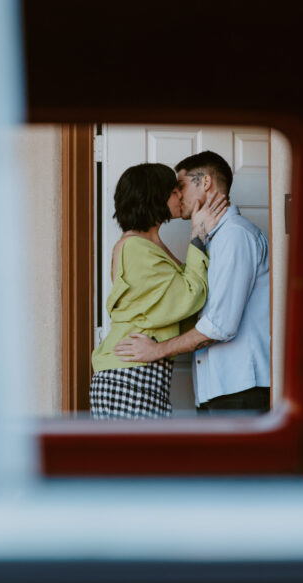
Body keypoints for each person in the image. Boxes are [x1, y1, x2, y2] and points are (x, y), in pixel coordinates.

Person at [115, 151, 270, 414]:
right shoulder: (212, 238)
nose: (175, 195)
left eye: (181, 186)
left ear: (205, 182)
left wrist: (157, 351)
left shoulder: (234, 236)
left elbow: (219, 326)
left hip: (240, 388)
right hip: (219, 387)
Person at [90, 162, 226, 418]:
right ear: (155, 197)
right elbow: (189, 296)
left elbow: (188, 289)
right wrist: (198, 234)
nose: (179, 196)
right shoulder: (135, 249)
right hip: (129, 375)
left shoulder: (148, 244)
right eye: (173, 190)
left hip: (138, 372)